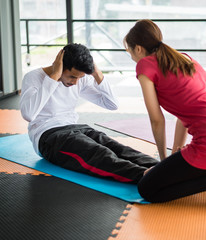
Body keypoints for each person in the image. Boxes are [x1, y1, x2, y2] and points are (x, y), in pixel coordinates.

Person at [124, 20, 206, 209]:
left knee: (147, 188)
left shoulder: (145, 66)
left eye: (129, 53)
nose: (132, 58)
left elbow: (157, 120)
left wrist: (162, 161)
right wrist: (176, 150)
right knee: (175, 170)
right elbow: (182, 115)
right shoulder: (183, 58)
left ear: (137, 49)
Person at [20, 43, 158, 183]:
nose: (75, 82)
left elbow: (112, 104)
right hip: (49, 137)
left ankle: (162, 168)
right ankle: (147, 176)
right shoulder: (33, 77)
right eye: (72, 77)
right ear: (59, 66)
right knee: (98, 153)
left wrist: (97, 74)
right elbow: (28, 115)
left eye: (79, 78)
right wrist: (54, 77)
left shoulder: (79, 78)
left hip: (77, 128)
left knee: (117, 148)